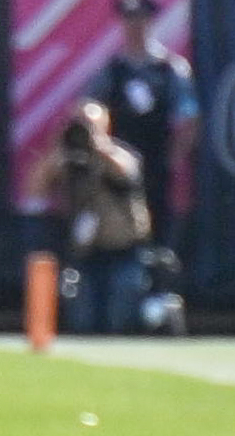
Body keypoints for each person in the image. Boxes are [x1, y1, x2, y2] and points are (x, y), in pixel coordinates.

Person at [85, 0, 200, 252]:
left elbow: (190, 118)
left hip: (156, 165)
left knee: (157, 228)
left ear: (150, 22)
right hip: (116, 168)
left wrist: (173, 157)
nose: (134, 26)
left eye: (140, 19)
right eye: (128, 19)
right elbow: (88, 111)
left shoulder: (171, 69)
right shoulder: (111, 70)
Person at [30, 100, 152, 335]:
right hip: (87, 255)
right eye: (81, 124)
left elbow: (126, 172)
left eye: (90, 125)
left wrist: (98, 145)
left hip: (123, 251)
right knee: (83, 322)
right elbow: (35, 188)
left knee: (119, 321)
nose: (84, 128)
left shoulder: (122, 155)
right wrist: (61, 148)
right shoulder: (70, 160)